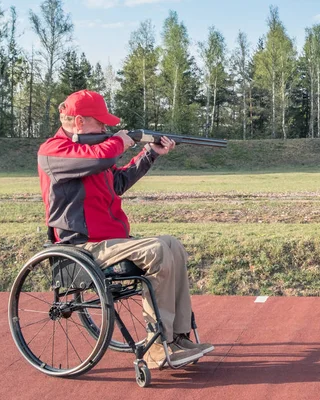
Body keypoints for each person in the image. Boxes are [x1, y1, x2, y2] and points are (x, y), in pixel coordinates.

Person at [37, 89, 213, 369]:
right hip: (83, 246)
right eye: (101, 123)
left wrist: (149, 153)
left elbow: (116, 182)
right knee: (156, 250)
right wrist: (122, 140)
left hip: (112, 241)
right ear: (80, 122)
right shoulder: (54, 151)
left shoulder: (91, 152)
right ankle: (156, 346)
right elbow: (102, 159)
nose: (107, 129)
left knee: (173, 245)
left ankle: (179, 336)